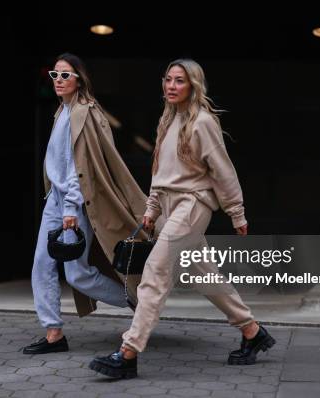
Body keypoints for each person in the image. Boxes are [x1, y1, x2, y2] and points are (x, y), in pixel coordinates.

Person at [89, 59, 275, 378]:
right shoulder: (168, 120)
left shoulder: (203, 122)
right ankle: (252, 332)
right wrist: (150, 211)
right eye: (168, 80)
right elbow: (161, 175)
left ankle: (129, 352)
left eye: (180, 81)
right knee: (206, 277)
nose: (171, 86)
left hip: (193, 205)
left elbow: (223, 170)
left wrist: (236, 213)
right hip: (169, 208)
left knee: (155, 272)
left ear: (193, 86)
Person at [23, 53, 149, 355]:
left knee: (77, 273)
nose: (59, 81)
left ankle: (140, 303)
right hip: (54, 199)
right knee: (42, 265)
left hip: (74, 203)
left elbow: (82, 168)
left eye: (65, 75)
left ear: (79, 79)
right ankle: (53, 333)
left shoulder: (85, 113)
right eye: (55, 75)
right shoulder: (62, 111)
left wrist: (69, 209)